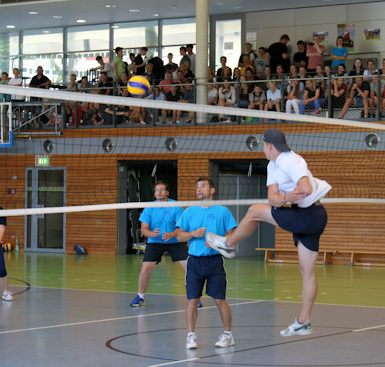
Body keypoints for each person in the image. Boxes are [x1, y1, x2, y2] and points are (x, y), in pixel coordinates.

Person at [206, 129, 331, 337]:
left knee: (254, 211)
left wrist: (285, 197)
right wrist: (283, 198)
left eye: (263, 145)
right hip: (306, 214)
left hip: (309, 215)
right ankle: (303, 321)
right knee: (306, 271)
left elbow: (306, 188)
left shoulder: (290, 160)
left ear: (269, 145)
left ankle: (228, 244)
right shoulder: (272, 165)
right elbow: (272, 198)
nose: (262, 148)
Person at [176, 177, 237, 349]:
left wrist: (218, 242)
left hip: (215, 262)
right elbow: (179, 236)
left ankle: (228, 335)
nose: (199, 189)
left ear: (212, 190)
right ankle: (191, 336)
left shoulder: (223, 211)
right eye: (197, 186)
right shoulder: (189, 211)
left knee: (220, 300)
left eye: (203, 186)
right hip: (194, 262)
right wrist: (193, 233)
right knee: (192, 300)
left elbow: (232, 236)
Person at [129, 181, 188, 307]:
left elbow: (181, 228)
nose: (159, 192)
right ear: (154, 193)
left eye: (162, 189)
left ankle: (195, 298)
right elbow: (144, 229)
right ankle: (140, 297)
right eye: (157, 190)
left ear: (167, 192)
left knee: (190, 268)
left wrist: (171, 235)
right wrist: (151, 234)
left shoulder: (176, 206)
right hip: (155, 242)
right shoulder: (149, 208)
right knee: (145, 269)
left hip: (175, 241)